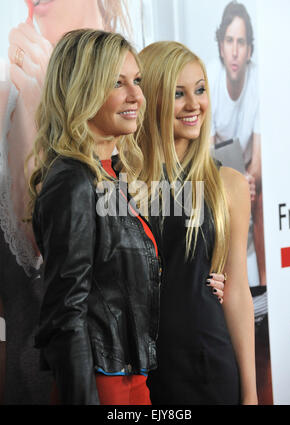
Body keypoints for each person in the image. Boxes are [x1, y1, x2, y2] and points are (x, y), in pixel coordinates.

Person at [0, 0, 132, 404]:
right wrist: (35, 104)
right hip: (46, 375)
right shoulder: (13, 92)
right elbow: (40, 248)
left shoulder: (139, 87)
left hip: (137, 372)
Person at [27, 28, 162, 405]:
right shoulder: (72, 181)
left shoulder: (109, 174)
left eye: (136, 81)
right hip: (103, 385)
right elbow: (65, 316)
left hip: (131, 379)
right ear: (82, 91)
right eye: (117, 83)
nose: (136, 95)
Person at [138, 41, 258, 405]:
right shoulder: (121, 185)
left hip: (209, 365)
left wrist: (250, 395)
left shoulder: (230, 185)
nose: (194, 104)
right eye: (178, 93)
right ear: (153, 98)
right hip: (139, 373)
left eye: (200, 90)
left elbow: (236, 293)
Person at [208, 0, 272, 404]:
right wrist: (234, 183)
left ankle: (264, 292)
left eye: (242, 42)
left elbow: (259, 157)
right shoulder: (211, 81)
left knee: (260, 201)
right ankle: (221, 292)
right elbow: (208, 152)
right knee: (224, 204)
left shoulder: (259, 83)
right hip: (217, 170)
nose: (235, 50)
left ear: (250, 49)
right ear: (221, 45)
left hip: (247, 169)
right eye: (229, 41)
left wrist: (248, 182)